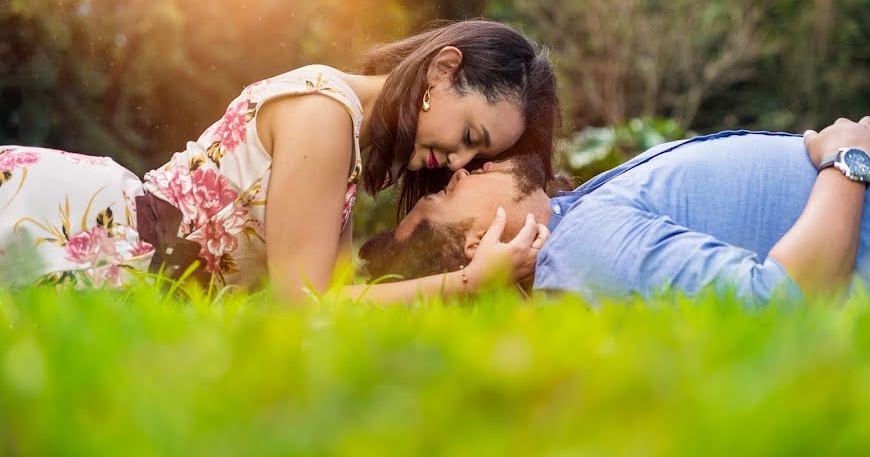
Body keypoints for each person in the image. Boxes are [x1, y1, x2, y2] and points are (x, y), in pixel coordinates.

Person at [0, 20, 557, 302]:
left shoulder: (345, 130)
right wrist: (467, 281)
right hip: (91, 228)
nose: (457, 160)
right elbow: (306, 310)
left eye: (479, 154)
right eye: (469, 134)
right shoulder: (325, 116)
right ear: (442, 70)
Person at [358, 117, 870, 303]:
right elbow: (781, 302)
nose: (456, 172)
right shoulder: (583, 249)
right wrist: (846, 162)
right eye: (447, 196)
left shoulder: (579, 216)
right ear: (479, 246)